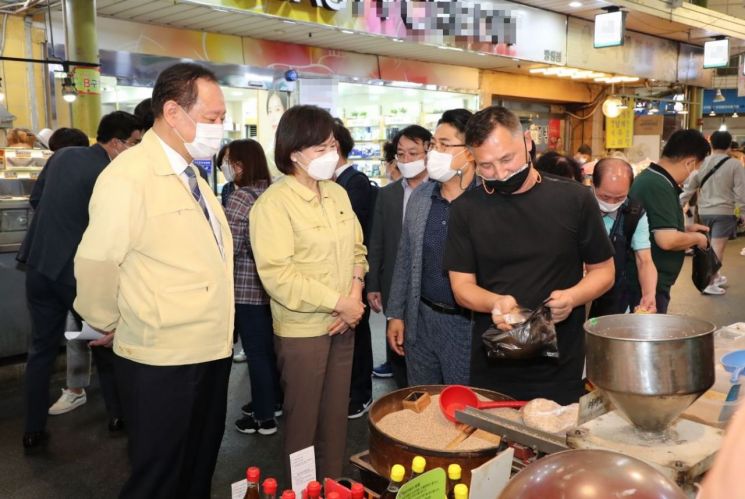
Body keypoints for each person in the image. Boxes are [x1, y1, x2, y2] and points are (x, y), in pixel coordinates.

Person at [74, 63, 233, 498]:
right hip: (161, 358)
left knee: (198, 467)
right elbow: (96, 261)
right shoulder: (129, 176)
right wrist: (107, 321)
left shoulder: (193, 175)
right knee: (159, 477)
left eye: (222, 119)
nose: (220, 128)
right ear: (173, 112)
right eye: (213, 118)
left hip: (208, 349)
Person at [443, 106, 614, 405]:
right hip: (493, 359)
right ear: (472, 158)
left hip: (559, 363)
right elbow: (461, 287)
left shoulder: (575, 199)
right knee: (495, 445)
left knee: (556, 447)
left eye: (507, 159)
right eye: (486, 166)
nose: (500, 173)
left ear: (527, 141)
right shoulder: (465, 209)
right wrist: (494, 302)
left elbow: (604, 271)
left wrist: (572, 297)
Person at [249, 104, 366, 480]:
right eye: (320, 149)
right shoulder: (273, 205)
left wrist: (356, 294)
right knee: (303, 424)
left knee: (335, 419)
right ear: (293, 153)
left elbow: (357, 251)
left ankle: (331, 484)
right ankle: (302, 489)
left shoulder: (337, 194)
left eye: (332, 145)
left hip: (344, 323)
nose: (330, 155)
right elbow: (279, 276)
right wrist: (340, 304)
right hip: (303, 332)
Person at [20, 111, 143, 450]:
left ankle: (32, 429)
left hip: (39, 266)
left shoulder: (63, 156)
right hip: (75, 274)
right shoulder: (113, 173)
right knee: (104, 342)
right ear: (117, 144)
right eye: (134, 143)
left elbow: (36, 199)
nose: (137, 149)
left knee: (41, 349)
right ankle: (119, 416)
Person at [386, 109, 476, 386]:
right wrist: (396, 314)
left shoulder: (487, 201)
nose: (435, 152)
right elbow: (405, 258)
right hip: (421, 316)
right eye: (434, 145)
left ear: (470, 151)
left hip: (465, 325)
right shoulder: (423, 196)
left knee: (462, 406)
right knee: (423, 401)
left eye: (445, 145)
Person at [22, 125, 92, 417]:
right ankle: (115, 411)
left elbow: (35, 200)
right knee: (85, 331)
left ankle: (35, 423)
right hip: (77, 265)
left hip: (44, 264)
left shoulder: (59, 162)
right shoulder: (93, 166)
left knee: (51, 341)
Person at [223, 138, 282, 436]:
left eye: (229, 162)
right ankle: (272, 401)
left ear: (240, 165)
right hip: (274, 289)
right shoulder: (273, 192)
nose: (225, 167)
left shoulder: (241, 197)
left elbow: (229, 247)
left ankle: (263, 417)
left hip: (246, 289)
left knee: (256, 353)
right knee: (269, 351)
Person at [367, 125, 431, 386]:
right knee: (397, 348)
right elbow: (377, 240)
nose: (406, 161)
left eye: (413, 154)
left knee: (426, 353)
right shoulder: (388, 194)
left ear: (429, 151)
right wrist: (373, 285)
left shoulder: (440, 190)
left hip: (429, 289)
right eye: (401, 155)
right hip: (394, 284)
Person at [628, 129, 711, 312]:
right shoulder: (657, 185)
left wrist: (685, 230)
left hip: (653, 281)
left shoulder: (657, 180)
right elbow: (666, 240)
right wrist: (698, 239)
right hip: (648, 285)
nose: (693, 174)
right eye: (696, 168)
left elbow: (654, 226)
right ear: (689, 162)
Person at [332, 119, 374, 418]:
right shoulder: (332, 184)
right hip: (339, 279)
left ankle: (361, 394)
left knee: (358, 340)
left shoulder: (355, 183)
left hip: (355, 276)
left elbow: (352, 236)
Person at [589, 158, 657, 316]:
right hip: (575, 295)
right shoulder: (576, 207)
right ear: (592, 184)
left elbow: (644, 260)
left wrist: (649, 294)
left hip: (614, 297)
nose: (611, 203)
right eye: (605, 197)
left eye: (619, 198)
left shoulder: (634, 212)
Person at [680, 130, 745, 295]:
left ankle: (715, 276)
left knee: (709, 246)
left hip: (704, 212)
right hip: (724, 212)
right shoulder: (735, 165)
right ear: (729, 146)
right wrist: (742, 212)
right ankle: (708, 282)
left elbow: (688, 189)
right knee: (717, 248)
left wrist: (677, 204)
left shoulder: (702, 164)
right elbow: (740, 192)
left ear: (711, 144)